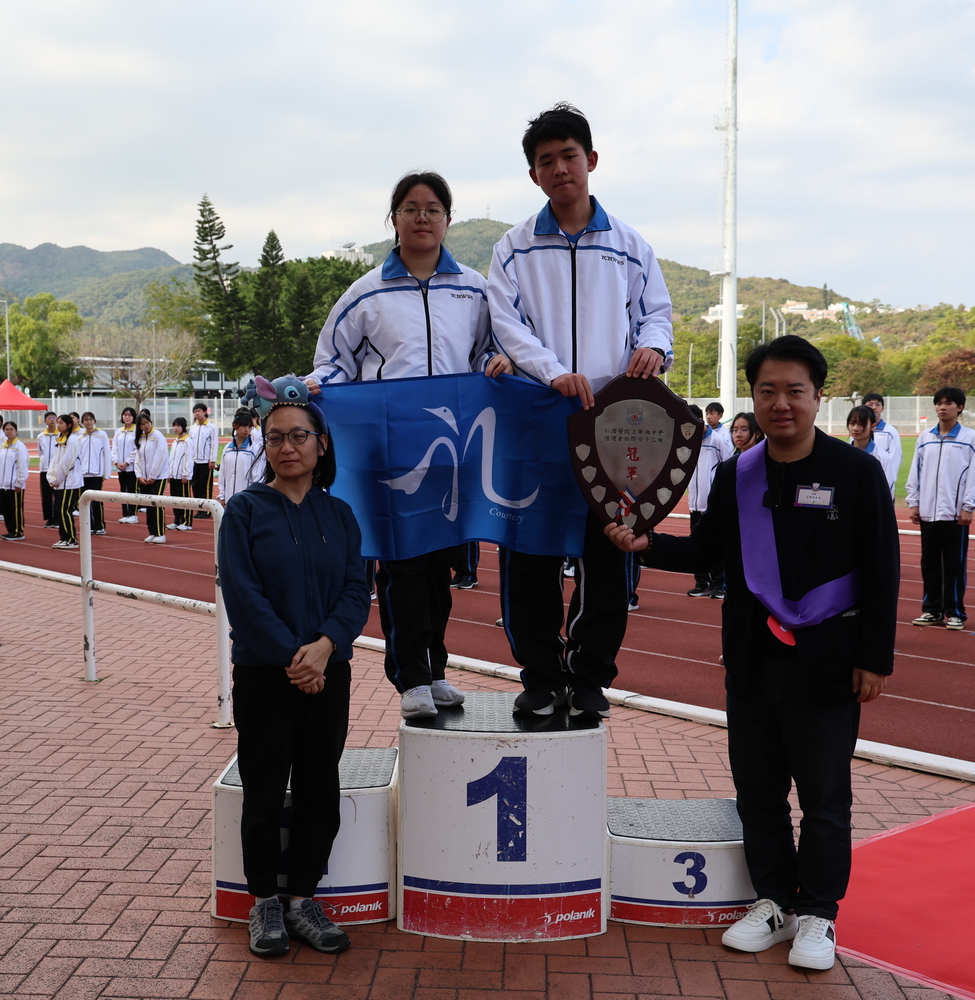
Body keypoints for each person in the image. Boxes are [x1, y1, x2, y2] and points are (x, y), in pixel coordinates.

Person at [605, 335, 898, 972]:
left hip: (826, 660)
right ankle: (774, 900)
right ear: (755, 397)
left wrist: (875, 657)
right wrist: (648, 544)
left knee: (824, 796)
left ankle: (818, 911)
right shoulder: (736, 473)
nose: (781, 403)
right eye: (768, 391)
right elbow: (706, 549)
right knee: (758, 791)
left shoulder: (856, 471)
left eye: (795, 390)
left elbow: (883, 567)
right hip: (751, 658)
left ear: (818, 396)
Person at [485, 103, 675, 718]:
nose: (560, 168)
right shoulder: (513, 249)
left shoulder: (631, 246)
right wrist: (550, 371)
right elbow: (505, 323)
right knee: (530, 556)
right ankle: (540, 676)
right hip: (537, 421)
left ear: (591, 160)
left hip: (613, 427)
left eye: (569, 156)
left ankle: (590, 675)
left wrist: (654, 347)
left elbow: (657, 313)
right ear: (534, 175)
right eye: (546, 161)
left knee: (608, 552)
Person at [304, 170, 494, 718]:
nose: (422, 218)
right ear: (394, 219)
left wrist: (495, 363)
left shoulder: (474, 289)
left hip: (452, 453)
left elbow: (488, 350)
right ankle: (409, 676)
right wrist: (315, 385)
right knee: (403, 566)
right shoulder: (366, 292)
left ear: (448, 219)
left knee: (440, 568)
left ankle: (435, 670)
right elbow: (333, 361)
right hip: (391, 454)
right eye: (411, 209)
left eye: (432, 209)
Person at [218, 392, 368, 959]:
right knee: (263, 788)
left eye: (299, 435)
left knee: (318, 787)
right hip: (266, 674)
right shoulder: (244, 511)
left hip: (328, 672)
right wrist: (293, 658)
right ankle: (264, 902)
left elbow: (356, 591)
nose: (287, 447)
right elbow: (243, 595)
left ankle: (304, 898)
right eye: (275, 437)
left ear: (321, 444)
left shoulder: (340, 515)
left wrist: (324, 648)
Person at [905, 386, 975, 630]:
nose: (942, 407)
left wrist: (968, 506)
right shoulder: (925, 437)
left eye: (948, 403)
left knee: (954, 565)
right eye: (939, 403)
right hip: (929, 512)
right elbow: (916, 471)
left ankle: (955, 612)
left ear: (959, 407)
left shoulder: (970, 438)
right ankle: (932, 610)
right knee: (929, 564)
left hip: (954, 513)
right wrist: (914, 502)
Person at [688, 402, 736, 599]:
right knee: (694, 543)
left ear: (699, 421)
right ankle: (701, 583)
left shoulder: (717, 440)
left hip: (711, 503)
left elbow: (728, 463)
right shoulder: (688, 440)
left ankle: (718, 584)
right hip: (694, 502)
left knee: (715, 543)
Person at [47, 412, 86, 549]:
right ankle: (63, 537)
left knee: (65, 510)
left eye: (61, 423)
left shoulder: (73, 440)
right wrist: (51, 477)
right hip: (60, 482)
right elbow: (55, 461)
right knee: (59, 511)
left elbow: (67, 462)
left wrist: (57, 479)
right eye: (57, 422)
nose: (58, 425)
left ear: (69, 425)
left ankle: (71, 539)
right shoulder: (61, 439)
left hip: (69, 483)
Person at [217, 408, 268, 505]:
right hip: (228, 500)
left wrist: (254, 497)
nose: (247, 430)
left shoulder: (254, 449)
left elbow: (257, 477)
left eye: (250, 426)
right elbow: (222, 474)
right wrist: (222, 496)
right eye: (244, 426)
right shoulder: (227, 449)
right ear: (235, 426)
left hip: (246, 501)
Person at [133, 411, 169, 543]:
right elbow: (138, 459)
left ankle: (160, 533)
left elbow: (160, 457)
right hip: (145, 478)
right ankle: (152, 532)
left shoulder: (158, 436)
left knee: (156, 503)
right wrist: (139, 475)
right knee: (148, 505)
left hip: (159, 477)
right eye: (143, 424)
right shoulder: (141, 438)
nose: (146, 426)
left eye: (147, 422)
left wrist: (153, 475)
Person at [861, 392, 903, 492]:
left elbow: (895, 459)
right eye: (870, 404)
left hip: (883, 482)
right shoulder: (858, 431)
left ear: (882, 408)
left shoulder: (890, 432)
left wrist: (888, 484)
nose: (874, 407)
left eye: (877, 404)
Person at [846, 405, 893, 490]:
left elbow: (887, 489)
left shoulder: (882, 457)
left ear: (872, 426)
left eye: (861, 424)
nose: (855, 428)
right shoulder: (842, 454)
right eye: (852, 423)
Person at [80, 412, 111, 536]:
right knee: (85, 502)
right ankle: (89, 526)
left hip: (96, 474)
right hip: (83, 474)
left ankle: (100, 525)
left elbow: (106, 453)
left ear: (94, 421)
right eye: (86, 420)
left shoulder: (101, 435)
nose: (88, 422)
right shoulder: (80, 437)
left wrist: (106, 473)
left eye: (90, 419)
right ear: (82, 422)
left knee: (96, 501)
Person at [0, 421, 30, 540]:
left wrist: (20, 482)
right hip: (3, 484)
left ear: (16, 431)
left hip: (14, 485)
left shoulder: (20, 447)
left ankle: (18, 531)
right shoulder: (3, 446)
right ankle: (10, 530)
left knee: (15, 509)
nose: (9, 431)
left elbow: (23, 466)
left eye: (11, 429)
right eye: (6, 429)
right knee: (6, 510)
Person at [113, 406, 140, 523]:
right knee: (123, 490)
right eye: (125, 415)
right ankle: (125, 513)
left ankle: (133, 514)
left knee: (132, 490)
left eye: (129, 415)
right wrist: (116, 461)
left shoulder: (137, 430)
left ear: (133, 417)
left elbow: (137, 449)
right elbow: (114, 448)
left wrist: (127, 462)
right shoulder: (119, 431)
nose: (127, 417)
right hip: (121, 468)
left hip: (132, 467)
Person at [168, 416, 195, 531]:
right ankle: (177, 520)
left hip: (182, 476)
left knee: (185, 499)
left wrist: (186, 474)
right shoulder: (175, 441)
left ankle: (187, 522)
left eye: (178, 426)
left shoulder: (188, 441)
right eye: (174, 426)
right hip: (174, 475)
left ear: (183, 427)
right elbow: (171, 458)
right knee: (175, 499)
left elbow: (188, 459)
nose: (176, 428)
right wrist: (169, 473)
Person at [190, 403, 217, 517]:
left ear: (205, 412)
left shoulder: (212, 427)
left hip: (206, 461)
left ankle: (207, 510)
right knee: (195, 485)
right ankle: (199, 509)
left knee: (205, 486)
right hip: (194, 461)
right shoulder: (192, 428)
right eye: (195, 411)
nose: (197, 413)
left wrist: (212, 460)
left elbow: (214, 444)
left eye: (199, 411)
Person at [37, 412, 59, 528]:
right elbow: (41, 452)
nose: (52, 420)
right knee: (46, 495)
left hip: (57, 469)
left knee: (58, 494)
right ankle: (49, 518)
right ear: (45, 421)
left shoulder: (60, 435)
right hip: (45, 469)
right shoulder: (41, 436)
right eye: (49, 418)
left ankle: (58, 518)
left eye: (54, 418)